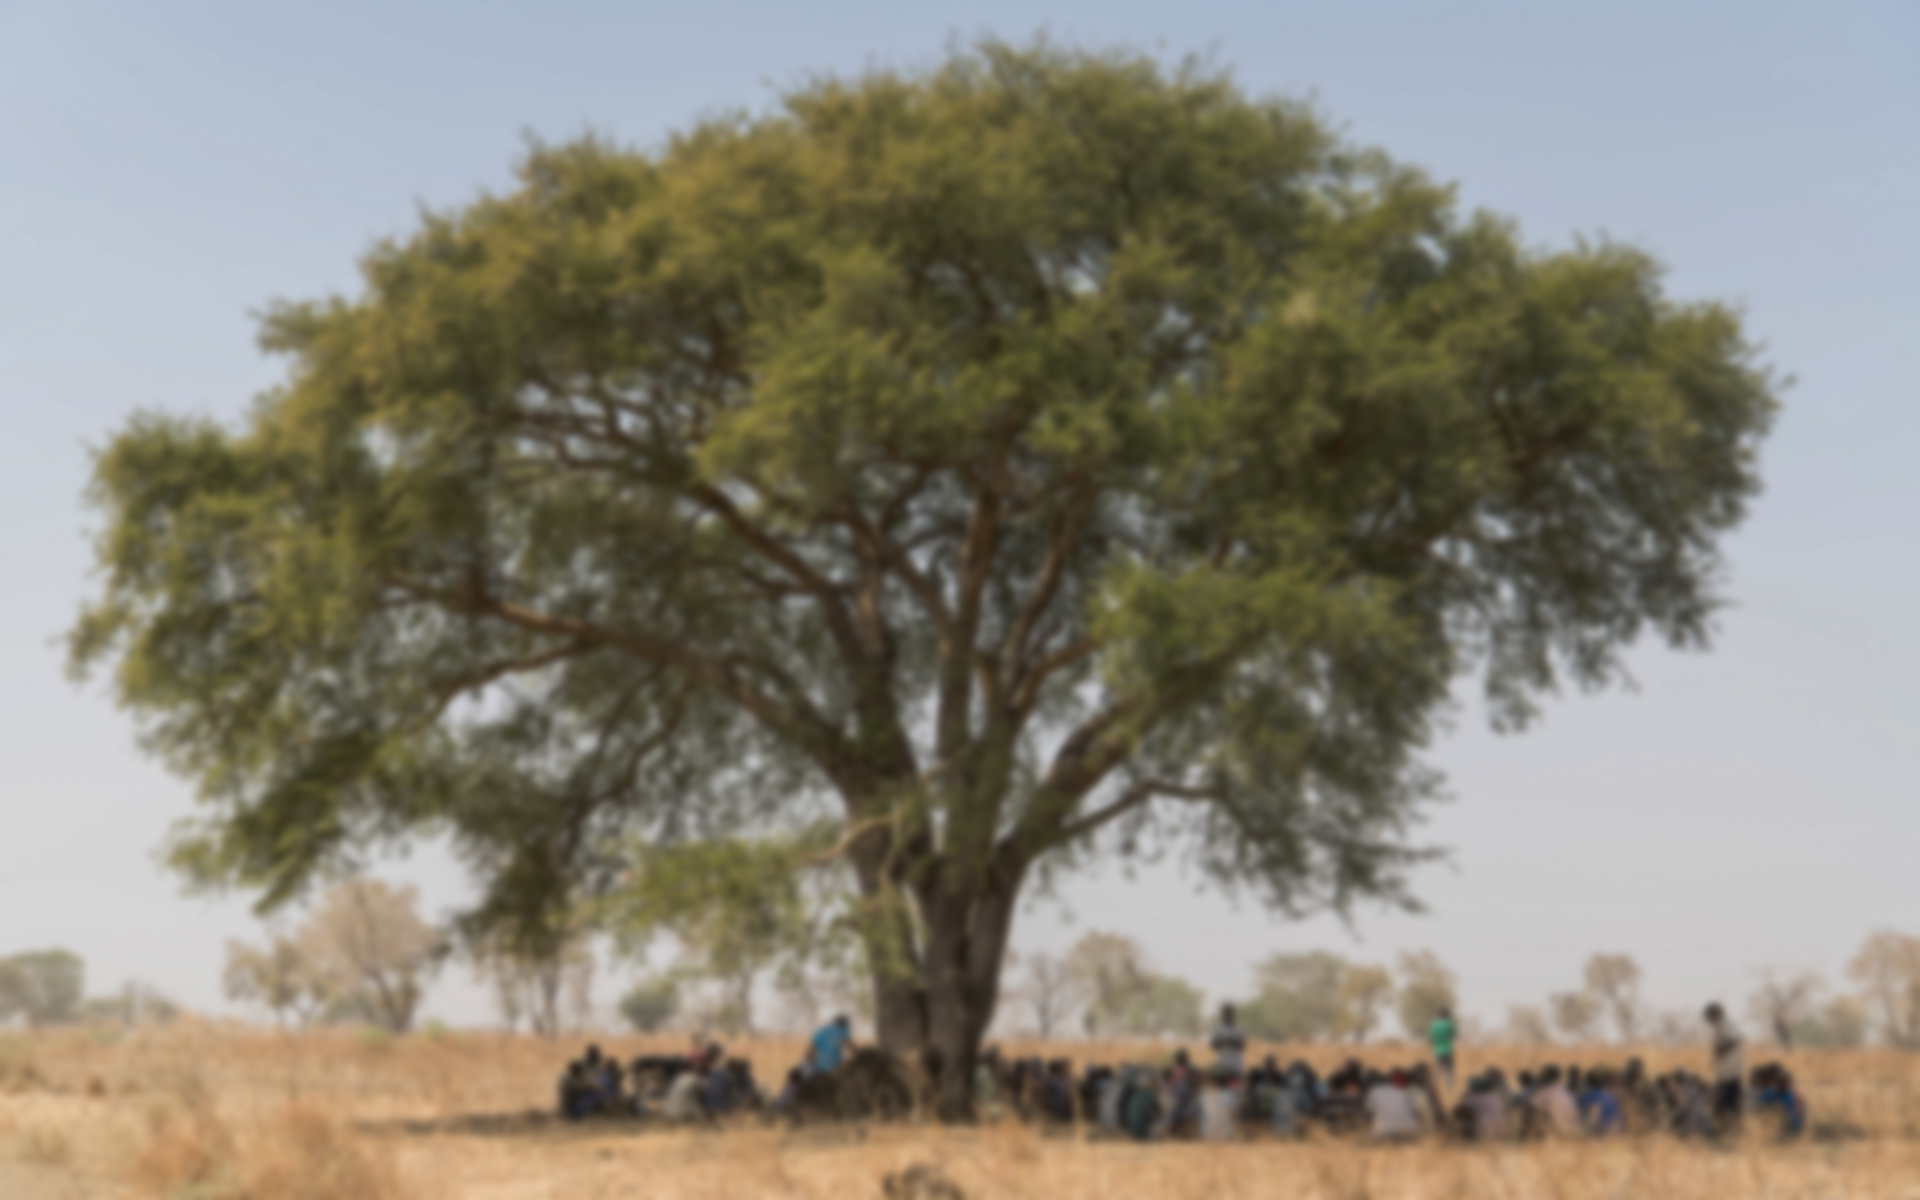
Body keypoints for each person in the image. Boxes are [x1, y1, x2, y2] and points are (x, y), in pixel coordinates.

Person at [1704, 1003, 1745, 1132]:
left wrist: (1721, 1050)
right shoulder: (1721, 1025)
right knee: (1726, 1104)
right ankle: (1726, 1131)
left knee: (1726, 1103)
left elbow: (1736, 1039)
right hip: (1726, 1072)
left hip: (1729, 1072)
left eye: (1709, 1016)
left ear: (1715, 1014)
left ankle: (1728, 1131)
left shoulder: (1724, 1024)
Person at [1365, 1070, 1423, 1142]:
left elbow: (1368, 1113)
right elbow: (1417, 1112)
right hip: (1408, 1131)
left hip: (1381, 1132)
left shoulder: (1374, 1091)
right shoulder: (1407, 1092)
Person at [1198, 1067, 1239, 1142]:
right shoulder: (1229, 1095)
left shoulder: (1206, 1094)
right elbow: (1232, 1112)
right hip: (1225, 1133)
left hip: (1207, 1132)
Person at [1210, 1003, 1248, 1076]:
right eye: (1225, 1013)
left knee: (1236, 1086)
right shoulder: (1218, 1029)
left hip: (1236, 1066)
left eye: (1228, 1012)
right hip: (1223, 1065)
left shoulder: (1239, 1029)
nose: (1226, 1015)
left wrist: (1230, 1041)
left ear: (1232, 1014)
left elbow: (1242, 1045)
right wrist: (1222, 1041)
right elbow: (1213, 1045)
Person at [1428, 1007, 1458, 1091]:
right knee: (1449, 1070)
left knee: (1436, 1070)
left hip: (1437, 1050)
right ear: (1447, 1015)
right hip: (1448, 1050)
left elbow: (1431, 1039)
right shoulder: (1450, 1024)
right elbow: (1454, 1035)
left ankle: (1434, 1088)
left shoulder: (1433, 1025)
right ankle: (1449, 1088)